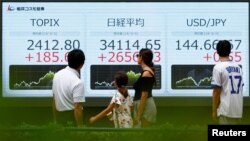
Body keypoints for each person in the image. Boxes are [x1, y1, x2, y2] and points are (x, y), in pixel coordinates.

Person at [211, 40, 244, 125]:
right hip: (238, 111)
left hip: (226, 112)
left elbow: (216, 91)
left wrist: (214, 111)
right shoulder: (238, 67)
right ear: (230, 51)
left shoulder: (218, 67)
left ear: (217, 52)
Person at [52, 49, 85, 127]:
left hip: (59, 119)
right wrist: (81, 129)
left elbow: (53, 100)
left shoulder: (57, 75)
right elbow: (77, 108)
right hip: (73, 120)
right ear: (82, 64)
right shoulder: (78, 82)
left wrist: (55, 121)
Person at [133, 48, 157, 128]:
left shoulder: (146, 73)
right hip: (143, 105)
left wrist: (138, 115)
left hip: (145, 107)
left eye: (137, 56)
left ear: (141, 57)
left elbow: (144, 95)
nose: (137, 58)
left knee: (143, 134)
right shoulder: (146, 72)